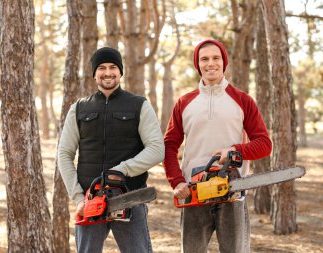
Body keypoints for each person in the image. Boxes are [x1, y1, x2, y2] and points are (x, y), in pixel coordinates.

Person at [163, 39, 272, 253]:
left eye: (216, 58)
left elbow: (264, 144)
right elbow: (169, 146)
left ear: (224, 62)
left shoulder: (242, 100)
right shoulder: (184, 103)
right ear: (198, 64)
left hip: (232, 191)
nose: (210, 63)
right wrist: (176, 181)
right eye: (204, 59)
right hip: (194, 192)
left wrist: (234, 151)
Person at [58, 46, 164, 253]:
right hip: (90, 199)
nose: (108, 72)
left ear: (120, 71)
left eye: (113, 67)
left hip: (129, 196)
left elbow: (157, 149)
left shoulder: (139, 105)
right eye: (102, 68)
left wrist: (123, 169)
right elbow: (64, 154)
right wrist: (78, 197)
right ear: (94, 73)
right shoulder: (79, 108)